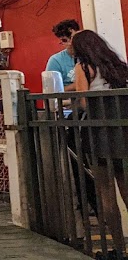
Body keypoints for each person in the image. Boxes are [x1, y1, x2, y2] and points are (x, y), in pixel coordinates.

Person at [71, 30, 128, 250]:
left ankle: (118, 245)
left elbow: (84, 101)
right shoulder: (118, 66)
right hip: (121, 132)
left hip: (98, 133)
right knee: (125, 187)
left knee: (105, 191)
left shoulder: (83, 68)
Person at [46, 19, 80, 91]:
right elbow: (51, 91)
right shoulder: (55, 61)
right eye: (65, 40)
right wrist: (79, 84)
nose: (70, 43)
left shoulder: (91, 55)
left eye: (73, 38)